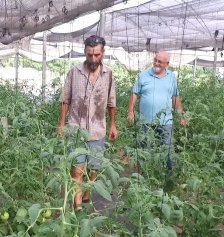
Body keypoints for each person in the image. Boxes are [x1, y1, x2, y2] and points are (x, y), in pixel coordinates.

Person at [57, 35, 118, 210]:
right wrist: (61, 124)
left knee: (94, 167)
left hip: (98, 129)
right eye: (90, 54)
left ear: (103, 53)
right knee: (77, 168)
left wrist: (113, 124)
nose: (93, 58)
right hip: (76, 129)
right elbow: (65, 100)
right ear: (85, 51)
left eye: (97, 55)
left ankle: (86, 193)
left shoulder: (108, 74)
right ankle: (77, 205)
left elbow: (111, 101)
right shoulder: (74, 72)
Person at [127, 51, 186, 169]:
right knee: (145, 150)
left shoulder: (172, 77)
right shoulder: (143, 75)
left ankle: (169, 178)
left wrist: (182, 116)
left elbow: (175, 97)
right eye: (155, 60)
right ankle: (145, 177)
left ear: (167, 64)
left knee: (168, 150)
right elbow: (134, 94)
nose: (156, 63)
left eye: (160, 62)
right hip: (146, 121)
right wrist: (131, 112)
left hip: (166, 121)